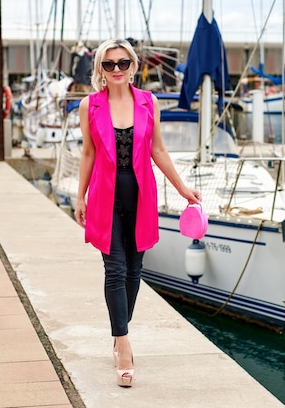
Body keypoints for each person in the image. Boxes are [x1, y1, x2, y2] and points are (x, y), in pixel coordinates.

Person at [74, 38, 201, 388]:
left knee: (134, 270)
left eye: (123, 63)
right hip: (104, 197)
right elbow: (88, 153)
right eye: (109, 64)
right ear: (100, 68)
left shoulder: (149, 101)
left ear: (133, 65)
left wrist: (182, 188)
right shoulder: (90, 105)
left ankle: (117, 335)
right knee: (115, 268)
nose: (116, 70)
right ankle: (125, 345)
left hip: (141, 196)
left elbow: (158, 149)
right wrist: (80, 196)